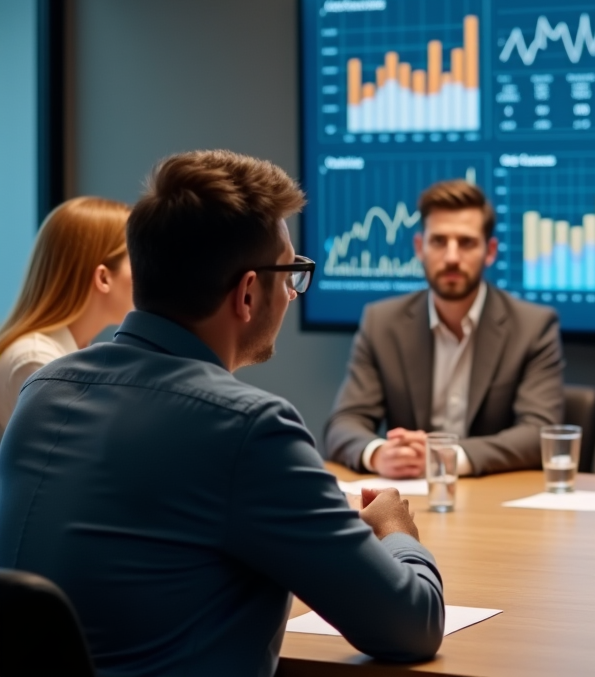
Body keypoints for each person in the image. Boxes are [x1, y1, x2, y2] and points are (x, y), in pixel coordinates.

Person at [0, 150, 444, 677]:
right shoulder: (249, 427)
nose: (292, 292)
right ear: (249, 293)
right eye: (291, 273)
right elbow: (411, 625)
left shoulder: (44, 391)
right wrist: (396, 533)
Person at [325, 179, 564, 478]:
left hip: (490, 499)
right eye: (438, 241)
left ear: (489, 251)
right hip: (411, 499)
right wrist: (378, 454)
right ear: (419, 247)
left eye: (466, 243)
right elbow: (344, 423)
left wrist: (448, 457)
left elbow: (539, 432)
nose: (451, 257)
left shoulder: (533, 326)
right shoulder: (381, 322)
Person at [0, 196, 133, 438]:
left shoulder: (62, 356)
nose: (146, 271)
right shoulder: (36, 360)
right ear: (103, 278)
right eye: (136, 259)